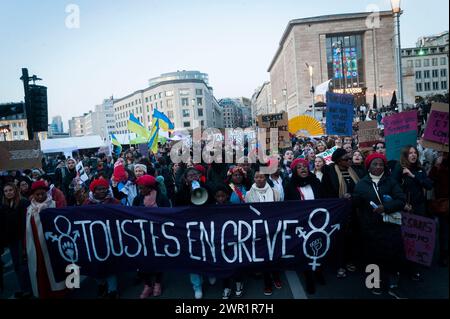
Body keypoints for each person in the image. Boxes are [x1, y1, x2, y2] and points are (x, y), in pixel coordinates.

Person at [353, 153, 407, 298]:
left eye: (381, 164)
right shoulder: (361, 184)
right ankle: (374, 284)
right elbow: (356, 205)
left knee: (392, 256)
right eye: (375, 164)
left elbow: (401, 200)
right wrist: (352, 198)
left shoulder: (391, 182)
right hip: (371, 228)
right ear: (368, 167)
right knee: (373, 256)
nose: (378, 167)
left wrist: (386, 207)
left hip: (390, 227)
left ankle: (392, 284)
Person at [322, 148, 360, 278]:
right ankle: (339, 264)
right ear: (338, 160)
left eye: (350, 158)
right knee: (338, 239)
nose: (349, 161)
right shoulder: (329, 171)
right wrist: (339, 200)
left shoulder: (354, 171)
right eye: (346, 159)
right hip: (337, 212)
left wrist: (352, 196)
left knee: (352, 238)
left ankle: (349, 260)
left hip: (353, 211)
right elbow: (325, 193)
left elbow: (360, 190)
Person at [26, 181, 66, 298]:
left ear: (46, 193)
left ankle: (61, 291)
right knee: (42, 271)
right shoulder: (29, 210)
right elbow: (27, 230)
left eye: (42, 194)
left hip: (53, 245)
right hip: (37, 246)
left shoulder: (55, 205)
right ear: (33, 195)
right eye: (37, 195)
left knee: (56, 269)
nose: (40, 197)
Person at [245, 171, 282, 296]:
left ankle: (276, 276)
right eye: (257, 177)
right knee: (264, 256)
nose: (259, 179)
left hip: (273, 228)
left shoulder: (275, 192)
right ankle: (267, 282)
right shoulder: (249, 194)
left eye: (262, 177)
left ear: (265, 178)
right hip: (259, 230)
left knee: (275, 254)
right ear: (253, 178)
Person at [133, 175, 170, 299]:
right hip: (143, 234)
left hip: (159, 234)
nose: (140, 190)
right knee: (142, 260)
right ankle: (147, 285)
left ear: (150, 187)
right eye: (139, 188)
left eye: (142, 188)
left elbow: (168, 215)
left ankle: (158, 283)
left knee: (158, 259)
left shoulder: (162, 199)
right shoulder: (138, 199)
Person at [83, 178, 120, 298]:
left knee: (110, 263)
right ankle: (101, 284)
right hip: (94, 240)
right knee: (96, 263)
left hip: (110, 238)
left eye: (105, 188)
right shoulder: (87, 204)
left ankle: (113, 290)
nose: (103, 191)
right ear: (93, 191)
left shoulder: (114, 202)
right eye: (99, 189)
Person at [1, 183, 32, 298]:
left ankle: (28, 289)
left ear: (15, 191)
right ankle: (23, 288)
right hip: (12, 241)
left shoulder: (23, 203)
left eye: (10, 190)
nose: (8, 192)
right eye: (6, 191)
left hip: (22, 238)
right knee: (17, 266)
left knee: (23, 265)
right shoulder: (4, 206)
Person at [429, 152, 449, 267]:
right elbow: (431, 181)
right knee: (444, 231)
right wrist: (437, 166)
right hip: (443, 203)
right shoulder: (439, 165)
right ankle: (444, 255)